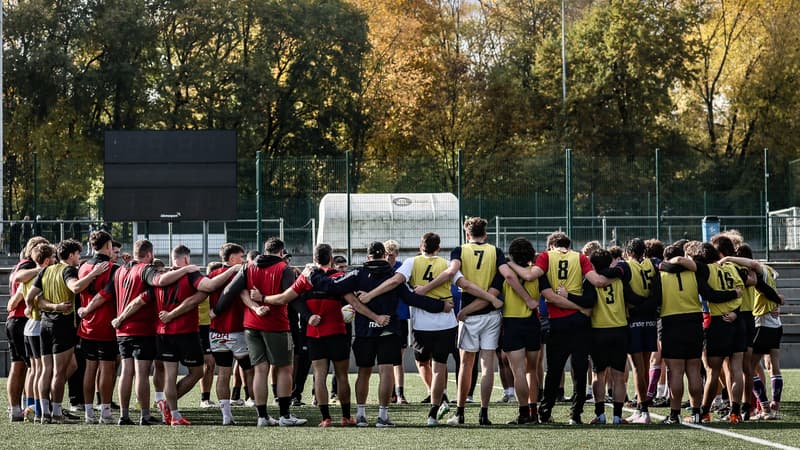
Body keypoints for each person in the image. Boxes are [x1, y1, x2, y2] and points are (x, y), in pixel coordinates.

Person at [357, 232, 503, 426]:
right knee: (439, 368)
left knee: (422, 364)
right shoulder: (445, 264)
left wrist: (370, 295)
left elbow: (394, 282)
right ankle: (432, 414)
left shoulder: (412, 262)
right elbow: (464, 283)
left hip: (421, 325)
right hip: (446, 323)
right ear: (439, 248)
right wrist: (490, 297)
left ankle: (432, 405)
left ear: (420, 246)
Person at [307, 241, 452, 428]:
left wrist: (313, 274)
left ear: (368, 257)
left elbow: (332, 285)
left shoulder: (357, 274)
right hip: (388, 330)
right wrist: (441, 306)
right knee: (385, 371)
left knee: (364, 372)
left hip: (364, 331)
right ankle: (382, 417)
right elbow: (412, 298)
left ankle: (360, 415)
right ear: (385, 256)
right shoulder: (393, 276)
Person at [417, 218, 535, 426]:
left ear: (467, 234)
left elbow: (452, 273)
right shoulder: (495, 251)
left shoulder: (459, 250)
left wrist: (424, 290)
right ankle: (484, 414)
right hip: (491, 314)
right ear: (485, 234)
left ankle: (460, 413)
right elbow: (507, 276)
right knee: (487, 365)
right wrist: (526, 298)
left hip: (469, 316)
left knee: (465, 364)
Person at [506, 231, 610, 425]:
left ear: (552, 245)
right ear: (568, 245)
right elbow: (596, 281)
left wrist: (509, 263)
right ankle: (575, 414)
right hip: (580, 321)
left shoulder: (546, 257)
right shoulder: (579, 257)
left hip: (558, 321)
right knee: (579, 370)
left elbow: (531, 277)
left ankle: (545, 412)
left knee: (554, 370)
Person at [258, 243, 356, 427]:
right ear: (332, 258)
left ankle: (326, 418)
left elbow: (284, 298)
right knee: (342, 375)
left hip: (314, 332)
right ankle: (345, 417)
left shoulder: (305, 278)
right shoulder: (340, 277)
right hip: (337, 331)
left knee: (319, 374)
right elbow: (354, 301)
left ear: (314, 258)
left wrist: (262, 298)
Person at [218, 237, 306, 427]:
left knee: (260, 370)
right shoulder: (284, 269)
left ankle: (262, 417)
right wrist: (308, 315)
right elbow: (291, 297)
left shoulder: (249, 266)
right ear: (282, 252)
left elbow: (230, 290)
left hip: (251, 325)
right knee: (284, 368)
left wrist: (216, 311)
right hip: (277, 325)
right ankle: (284, 415)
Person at [108, 239, 196, 425]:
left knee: (126, 371)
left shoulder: (121, 270)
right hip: (141, 328)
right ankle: (145, 415)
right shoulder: (146, 269)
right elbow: (160, 281)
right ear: (149, 254)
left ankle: (124, 415)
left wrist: (120, 319)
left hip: (122, 331)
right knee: (141, 373)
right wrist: (185, 269)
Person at [151, 244, 240, 426]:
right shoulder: (190, 274)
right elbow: (211, 285)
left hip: (163, 332)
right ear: (187, 259)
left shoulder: (160, 276)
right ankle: (169, 407)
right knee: (198, 371)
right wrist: (234, 270)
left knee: (170, 374)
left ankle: (173, 414)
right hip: (185, 332)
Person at [24, 239, 108, 423]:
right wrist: (93, 274)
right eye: (78, 254)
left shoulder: (46, 270)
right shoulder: (68, 270)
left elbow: (32, 296)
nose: (79, 258)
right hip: (62, 325)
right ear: (71, 256)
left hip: (44, 324)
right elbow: (75, 287)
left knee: (46, 370)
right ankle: (55, 412)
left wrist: (31, 308)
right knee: (59, 373)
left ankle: (42, 412)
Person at [685, 241, 745, 423]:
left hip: (718, 323)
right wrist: (735, 312)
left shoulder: (705, 270)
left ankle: (704, 412)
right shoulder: (730, 268)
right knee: (736, 369)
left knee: (712, 371)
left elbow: (711, 295)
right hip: (736, 320)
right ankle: (735, 413)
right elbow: (740, 291)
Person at [75, 230, 119, 424]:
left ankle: (88, 413)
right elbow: (106, 294)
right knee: (107, 369)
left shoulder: (83, 267)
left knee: (89, 369)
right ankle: (105, 412)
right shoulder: (112, 268)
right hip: (106, 325)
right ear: (108, 246)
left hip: (86, 326)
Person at [208, 243, 254, 425]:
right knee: (250, 371)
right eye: (241, 257)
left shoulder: (212, 275)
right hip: (237, 331)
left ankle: (227, 416)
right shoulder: (240, 273)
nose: (243, 260)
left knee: (223, 373)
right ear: (233, 258)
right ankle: (261, 413)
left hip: (216, 333)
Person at [5, 236, 48, 421]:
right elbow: (18, 279)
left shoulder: (22, 265)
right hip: (22, 319)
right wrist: (40, 269)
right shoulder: (26, 265)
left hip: (17, 319)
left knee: (22, 366)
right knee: (32, 367)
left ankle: (19, 407)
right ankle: (28, 406)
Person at [586, 249, 628, 425]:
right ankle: (618, 416)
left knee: (598, 375)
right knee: (619, 376)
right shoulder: (619, 278)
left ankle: (600, 415)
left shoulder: (592, 281)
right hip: (620, 328)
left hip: (599, 330)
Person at [621, 238, 661, 424]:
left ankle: (643, 409)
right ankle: (641, 406)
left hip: (635, 317)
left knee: (638, 367)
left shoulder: (627, 266)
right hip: (650, 318)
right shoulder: (652, 264)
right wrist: (648, 306)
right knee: (644, 365)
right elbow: (656, 291)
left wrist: (638, 307)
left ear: (628, 252)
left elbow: (627, 293)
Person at [22, 243, 55, 423]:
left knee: (34, 370)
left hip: (30, 325)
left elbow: (22, 293)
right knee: (40, 370)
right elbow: (35, 298)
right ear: (49, 260)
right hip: (36, 324)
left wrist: (27, 307)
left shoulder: (30, 274)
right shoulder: (43, 274)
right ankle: (38, 407)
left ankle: (31, 404)